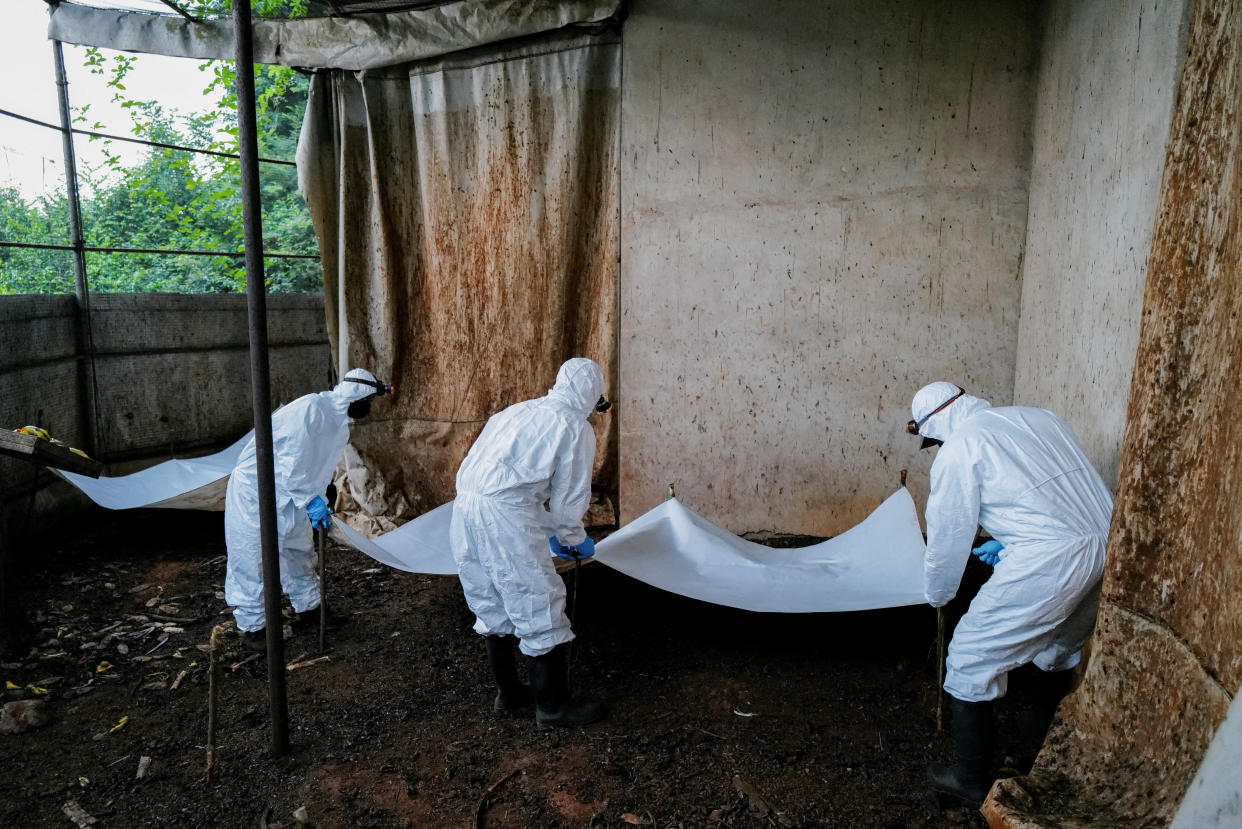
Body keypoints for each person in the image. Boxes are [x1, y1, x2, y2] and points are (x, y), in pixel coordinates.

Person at [907, 381, 1113, 803]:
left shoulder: (960, 447)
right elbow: (1059, 493)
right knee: (1056, 651)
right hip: (1109, 542)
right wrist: (1009, 538)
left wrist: (939, 594)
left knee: (969, 658)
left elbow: (949, 536)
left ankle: (970, 782)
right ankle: (1041, 758)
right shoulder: (1037, 417)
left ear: (936, 425)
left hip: (1052, 559)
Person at [450, 357, 610, 727]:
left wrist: (544, 528)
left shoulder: (518, 410)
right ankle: (553, 708)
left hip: (465, 506)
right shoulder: (575, 427)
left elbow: (497, 473)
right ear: (592, 396)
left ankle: (508, 694)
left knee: (489, 596)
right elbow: (569, 499)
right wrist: (571, 538)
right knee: (537, 599)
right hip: (503, 515)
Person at [224, 368, 392, 651]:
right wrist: (311, 501)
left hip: (294, 495)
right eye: (370, 402)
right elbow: (292, 464)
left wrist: (319, 499)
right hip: (257, 490)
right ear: (358, 398)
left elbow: (318, 467)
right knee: (252, 556)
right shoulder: (312, 410)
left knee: (298, 549)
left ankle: (309, 608)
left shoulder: (338, 422)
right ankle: (253, 628)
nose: (370, 409)